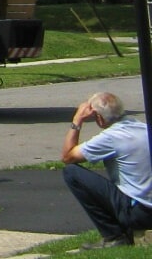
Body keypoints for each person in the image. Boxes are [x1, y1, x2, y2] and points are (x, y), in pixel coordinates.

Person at [62, 90, 152, 247]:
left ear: (99, 117)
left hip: (139, 212)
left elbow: (68, 157)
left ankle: (113, 236)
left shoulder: (111, 137)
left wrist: (77, 120)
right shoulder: (144, 128)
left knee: (71, 172)